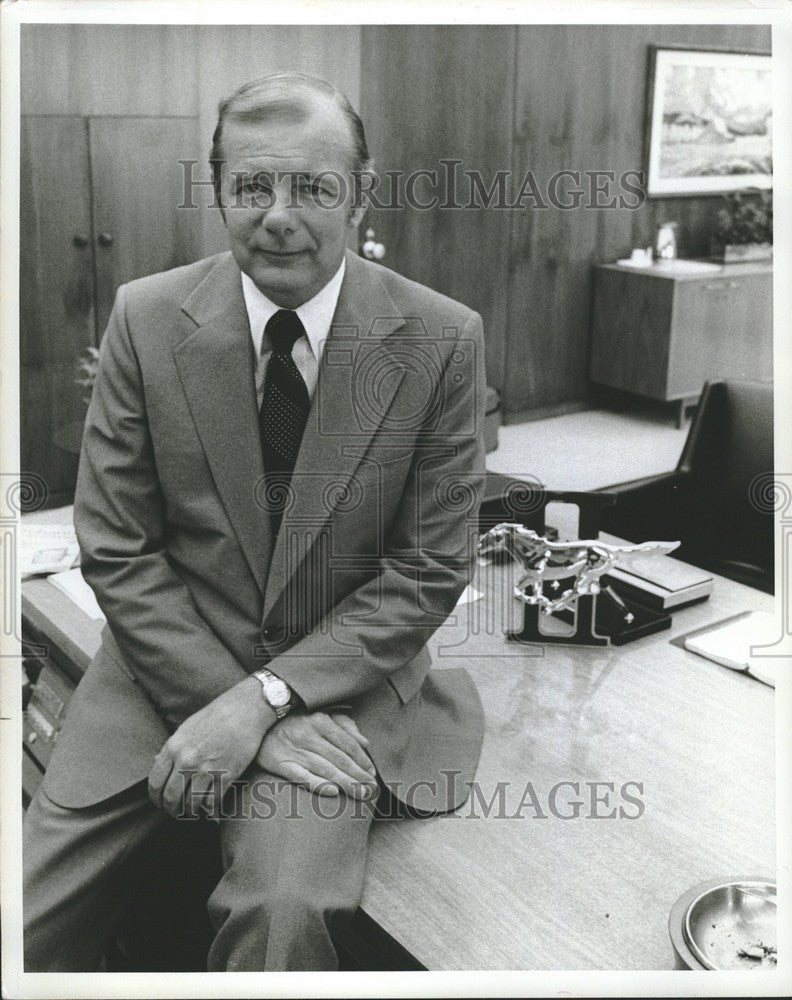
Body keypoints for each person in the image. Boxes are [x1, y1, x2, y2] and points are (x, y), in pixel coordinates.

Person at [23, 72, 486, 972]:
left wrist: (268, 699)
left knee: (284, 918)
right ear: (221, 190)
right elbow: (117, 544)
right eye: (251, 186)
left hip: (336, 690)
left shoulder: (443, 338)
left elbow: (429, 568)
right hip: (160, 673)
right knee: (26, 919)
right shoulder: (146, 317)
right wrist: (231, 702)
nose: (278, 215)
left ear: (362, 192)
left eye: (313, 186)